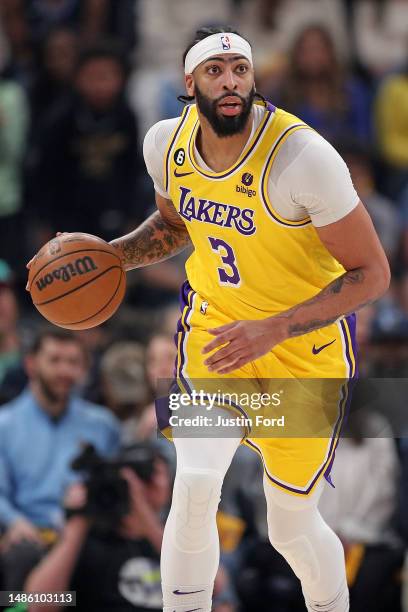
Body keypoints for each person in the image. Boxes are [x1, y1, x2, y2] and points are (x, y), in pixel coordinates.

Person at [27, 25, 391, 612]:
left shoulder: (303, 157)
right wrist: (113, 255)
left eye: (240, 70)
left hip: (304, 353)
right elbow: (175, 227)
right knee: (195, 485)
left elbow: (373, 274)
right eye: (216, 71)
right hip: (215, 332)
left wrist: (272, 328)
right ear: (189, 80)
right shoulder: (164, 144)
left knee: (290, 526)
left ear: (253, 79)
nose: (230, 82)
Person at [0, 327, 120, 590]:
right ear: (31, 364)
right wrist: (14, 522)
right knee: (21, 561)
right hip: (28, 534)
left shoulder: (104, 425)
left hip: (87, 535)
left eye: (73, 362)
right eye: (54, 360)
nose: (64, 371)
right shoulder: (4, 424)